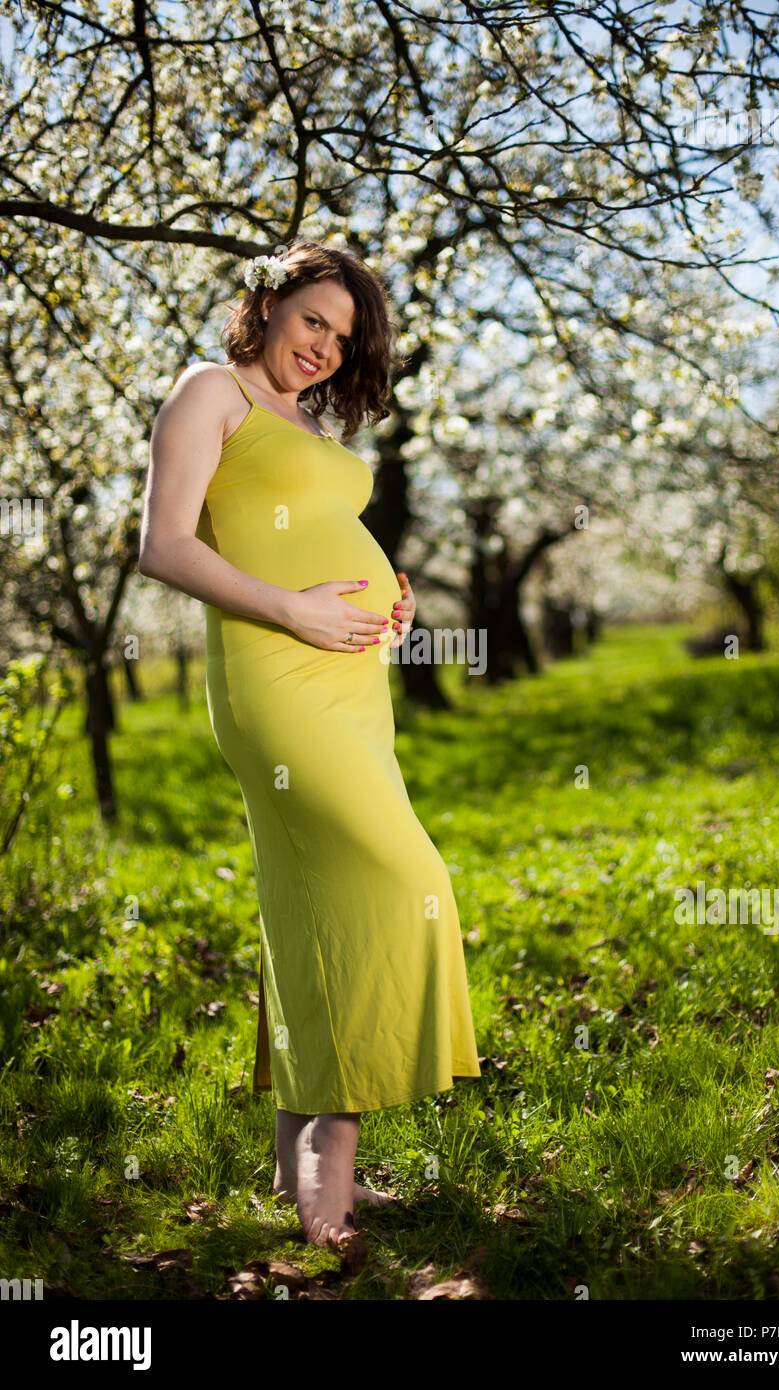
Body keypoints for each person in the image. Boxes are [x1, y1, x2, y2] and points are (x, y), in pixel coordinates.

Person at [139, 239, 482, 1250]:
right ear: (268, 305)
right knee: (393, 879)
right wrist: (293, 606)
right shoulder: (211, 391)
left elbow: (321, 527)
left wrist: (389, 603)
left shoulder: (302, 422)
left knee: (315, 904)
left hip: (349, 682)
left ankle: (318, 1178)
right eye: (312, 322)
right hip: (275, 679)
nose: (325, 347)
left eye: (344, 336)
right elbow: (164, 543)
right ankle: (323, 1195)